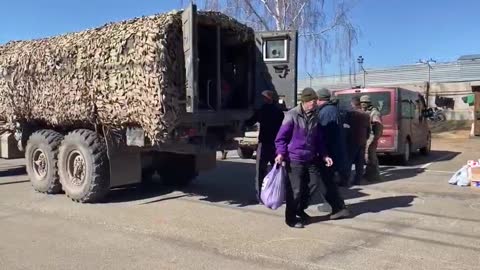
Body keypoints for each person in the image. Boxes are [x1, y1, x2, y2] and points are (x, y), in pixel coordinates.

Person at [275, 88, 348, 229]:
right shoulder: (291, 115)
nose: (314, 104)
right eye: (312, 101)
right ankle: (290, 218)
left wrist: (325, 155)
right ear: (305, 101)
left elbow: (319, 139)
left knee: (313, 183)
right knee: (295, 190)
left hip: (310, 157)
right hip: (294, 158)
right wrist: (280, 153)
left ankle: (300, 210)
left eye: (315, 101)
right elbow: (281, 139)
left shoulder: (315, 116)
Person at [245, 90, 285, 203]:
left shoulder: (262, 111)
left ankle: (260, 197)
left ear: (268, 99)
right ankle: (276, 193)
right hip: (275, 144)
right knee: (276, 170)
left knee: (260, 171)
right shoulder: (279, 112)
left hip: (264, 144)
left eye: (264, 98)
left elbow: (250, 122)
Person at [316, 88, 350, 186]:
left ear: (319, 99)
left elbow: (325, 132)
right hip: (336, 146)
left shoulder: (326, 111)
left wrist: (322, 150)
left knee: (329, 177)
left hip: (330, 148)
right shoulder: (333, 109)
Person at [345, 96, 371, 185]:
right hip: (362, 140)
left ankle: (345, 180)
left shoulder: (351, 114)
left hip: (352, 140)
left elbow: (346, 127)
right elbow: (368, 129)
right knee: (360, 162)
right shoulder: (366, 114)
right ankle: (358, 180)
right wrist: (366, 138)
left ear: (352, 103)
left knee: (348, 161)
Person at [360, 95, 384, 182]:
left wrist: (374, 138)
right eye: (362, 102)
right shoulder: (366, 111)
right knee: (368, 156)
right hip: (368, 136)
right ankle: (369, 174)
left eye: (365, 103)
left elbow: (378, 125)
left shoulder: (374, 112)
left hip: (372, 136)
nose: (363, 104)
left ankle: (374, 175)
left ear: (369, 103)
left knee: (371, 156)